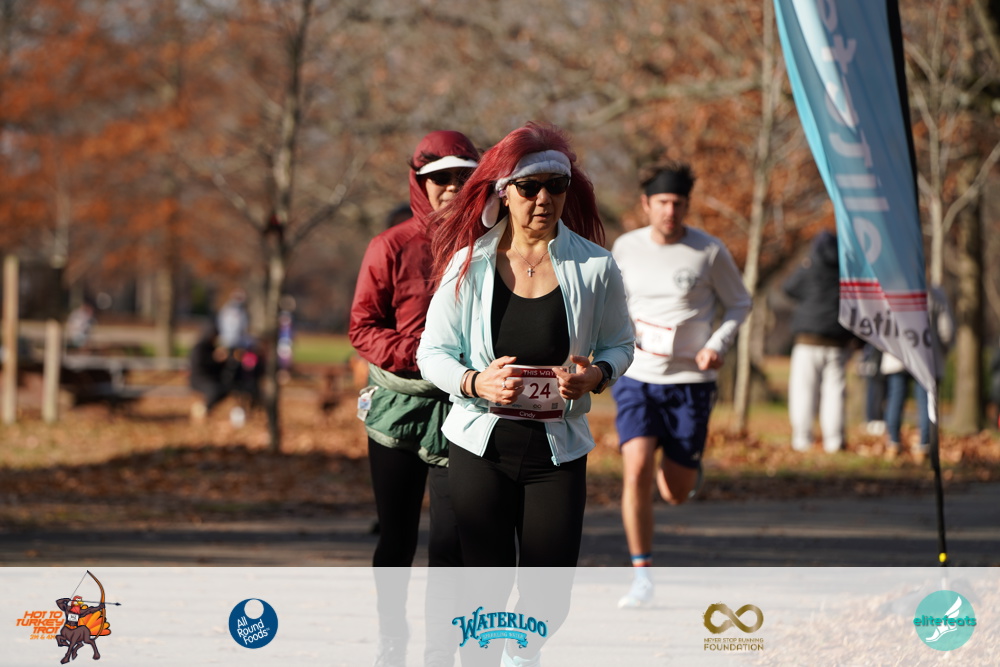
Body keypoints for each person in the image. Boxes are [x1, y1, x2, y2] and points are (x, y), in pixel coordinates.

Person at [417, 122, 633, 666]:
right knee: (483, 590)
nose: (543, 199)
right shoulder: (469, 263)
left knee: (550, 594)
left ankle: (521, 652)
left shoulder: (595, 265)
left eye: (555, 186)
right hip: (481, 445)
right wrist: (476, 382)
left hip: (556, 450)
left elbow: (621, 344)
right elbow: (432, 353)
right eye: (529, 187)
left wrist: (596, 375)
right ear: (504, 192)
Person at [349, 130, 479, 666]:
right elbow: (362, 326)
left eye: (461, 177)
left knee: (451, 541)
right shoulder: (390, 245)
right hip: (398, 407)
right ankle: (391, 638)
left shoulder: (491, 245)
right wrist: (421, 355)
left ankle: (440, 651)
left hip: (464, 407)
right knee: (397, 536)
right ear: (419, 182)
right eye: (439, 178)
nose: (451, 187)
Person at [610, 160, 751, 609]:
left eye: (678, 203)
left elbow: (740, 303)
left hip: (691, 380)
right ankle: (642, 576)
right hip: (637, 376)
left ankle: (684, 466)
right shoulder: (625, 248)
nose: (670, 211)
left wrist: (716, 344)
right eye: (662, 202)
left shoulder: (708, 251)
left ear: (687, 206)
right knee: (635, 470)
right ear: (646, 205)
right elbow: (613, 303)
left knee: (674, 492)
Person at [782, 230, 857, 453]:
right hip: (837, 341)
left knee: (804, 391)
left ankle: (802, 440)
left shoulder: (810, 268)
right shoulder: (845, 272)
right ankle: (834, 441)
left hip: (807, 341)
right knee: (835, 393)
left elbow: (788, 288)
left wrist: (805, 264)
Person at [881, 285, 954, 460]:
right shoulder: (934, 295)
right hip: (926, 358)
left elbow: (882, 325)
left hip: (897, 356)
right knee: (925, 402)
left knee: (895, 398)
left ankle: (893, 442)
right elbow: (946, 331)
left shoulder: (891, 291)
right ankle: (924, 445)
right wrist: (944, 351)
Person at [188, 323, 230, 420]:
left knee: (225, 389)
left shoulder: (212, 348)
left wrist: (223, 361)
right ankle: (202, 410)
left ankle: (205, 409)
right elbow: (200, 365)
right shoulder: (199, 348)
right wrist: (215, 359)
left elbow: (218, 367)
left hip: (212, 379)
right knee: (214, 391)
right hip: (199, 379)